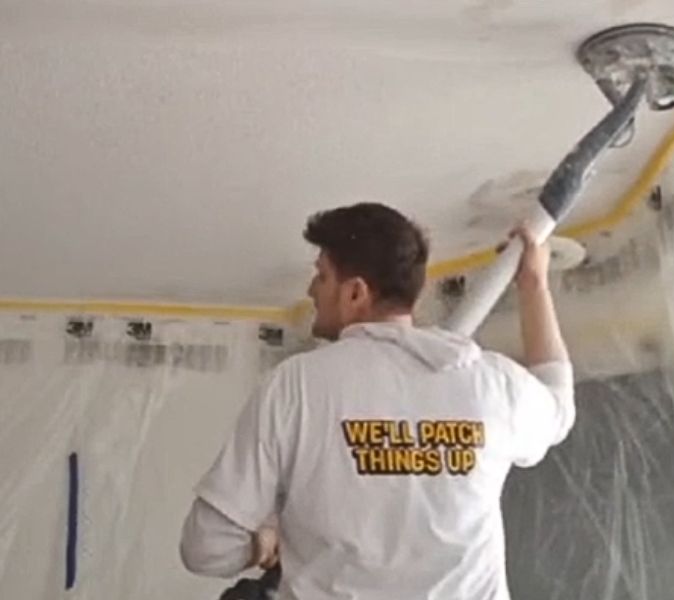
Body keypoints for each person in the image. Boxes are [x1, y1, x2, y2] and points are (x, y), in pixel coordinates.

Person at [180, 202, 575, 599]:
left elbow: (205, 548)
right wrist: (534, 286)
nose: (311, 290)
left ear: (355, 292)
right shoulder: (489, 382)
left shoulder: (296, 386)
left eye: (321, 276)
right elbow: (558, 407)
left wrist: (263, 541)